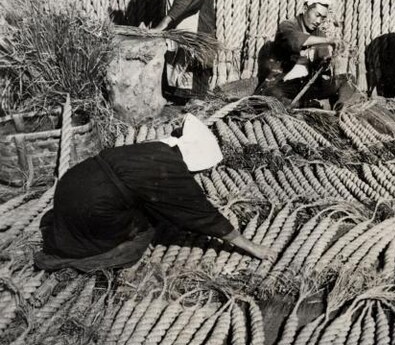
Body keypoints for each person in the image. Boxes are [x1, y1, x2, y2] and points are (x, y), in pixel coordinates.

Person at [34, 114, 275, 273]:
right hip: (92, 207)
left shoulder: (156, 150)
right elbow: (202, 216)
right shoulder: (171, 171)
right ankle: (87, 251)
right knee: (143, 235)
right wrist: (251, 246)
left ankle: (72, 232)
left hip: (71, 187)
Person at [256, 0, 357, 109]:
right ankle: (303, 105)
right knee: (273, 94)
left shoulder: (319, 33)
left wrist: (327, 60)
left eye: (322, 18)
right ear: (305, 9)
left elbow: (322, 62)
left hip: (306, 85)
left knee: (348, 80)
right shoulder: (287, 26)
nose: (319, 21)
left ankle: (339, 107)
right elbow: (294, 40)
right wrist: (329, 40)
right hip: (281, 84)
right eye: (317, 15)